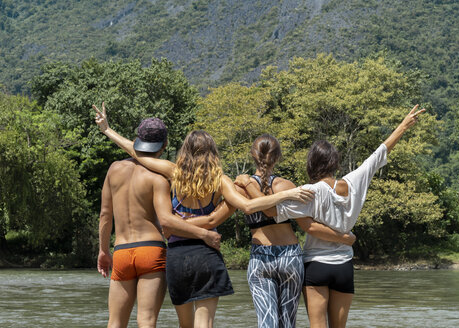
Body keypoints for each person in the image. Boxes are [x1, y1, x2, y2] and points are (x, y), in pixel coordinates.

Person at [92, 103, 314, 328]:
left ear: (184, 151)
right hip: (207, 255)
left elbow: (137, 154)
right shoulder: (221, 180)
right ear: (213, 152)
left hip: (177, 257)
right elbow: (248, 207)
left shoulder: (174, 173)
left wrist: (108, 131)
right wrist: (288, 194)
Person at [269, 105, 426, 328]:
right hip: (343, 266)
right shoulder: (354, 182)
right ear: (335, 163)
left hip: (316, 264)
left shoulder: (310, 191)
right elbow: (380, 152)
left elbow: (274, 210)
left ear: (312, 164)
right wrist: (403, 125)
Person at [97, 116, 223, 328]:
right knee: (146, 321)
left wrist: (103, 251)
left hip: (121, 251)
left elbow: (105, 216)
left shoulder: (113, 170)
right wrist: (205, 233)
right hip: (151, 250)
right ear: (164, 145)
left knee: (115, 322)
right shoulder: (160, 177)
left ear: (138, 140)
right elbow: (166, 220)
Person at [232, 134, 356, 328]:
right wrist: (343, 237)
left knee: (267, 322)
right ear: (278, 157)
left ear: (253, 156)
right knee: (288, 322)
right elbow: (307, 224)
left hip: (260, 257)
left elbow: (224, 213)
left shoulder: (240, 187)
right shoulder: (287, 186)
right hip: (290, 256)